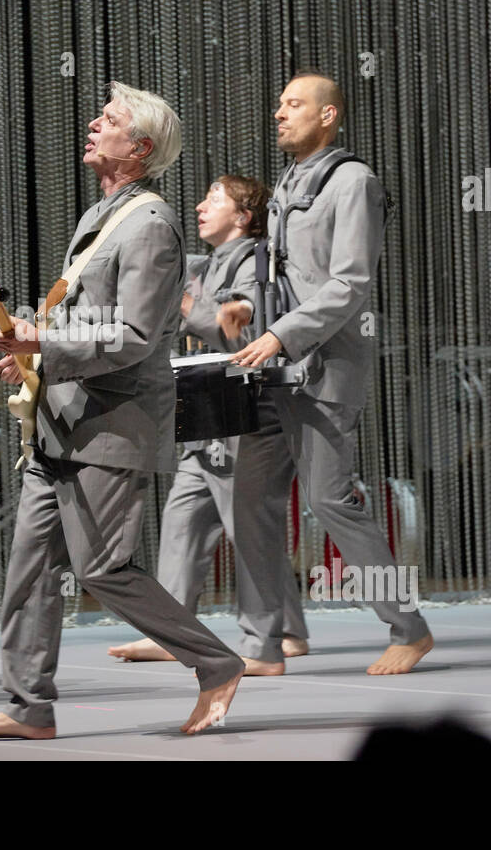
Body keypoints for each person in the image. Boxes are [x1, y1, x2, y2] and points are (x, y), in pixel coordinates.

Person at [0, 81, 244, 740]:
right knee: (30, 565)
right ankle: (29, 707)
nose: (92, 123)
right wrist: (35, 354)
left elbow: (135, 338)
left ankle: (216, 660)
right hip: (61, 420)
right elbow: (88, 324)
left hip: (112, 427)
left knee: (103, 567)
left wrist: (43, 345)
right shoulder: (104, 216)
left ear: (140, 147)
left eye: (109, 120)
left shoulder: (150, 226)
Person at [224, 73, 434, 675]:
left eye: (294, 105)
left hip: (323, 365)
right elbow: (275, 270)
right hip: (273, 366)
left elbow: (350, 284)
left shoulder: (352, 182)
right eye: (279, 102)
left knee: (328, 499)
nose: (280, 113)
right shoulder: (290, 183)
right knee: (250, 498)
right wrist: (244, 306)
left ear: (329, 116)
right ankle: (263, 645)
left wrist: (279, 334)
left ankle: (408, 627)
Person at [107, 174, 305, 673]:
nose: (199, 206)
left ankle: (268, 641)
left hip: (248, 413)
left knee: (250, 526)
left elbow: (231, 321)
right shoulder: (205, 263)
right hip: (208, 412)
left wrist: (177, 300)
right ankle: (176, 631)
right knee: (183, 520)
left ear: (242, 216)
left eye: (214, 199)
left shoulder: (257, 259)